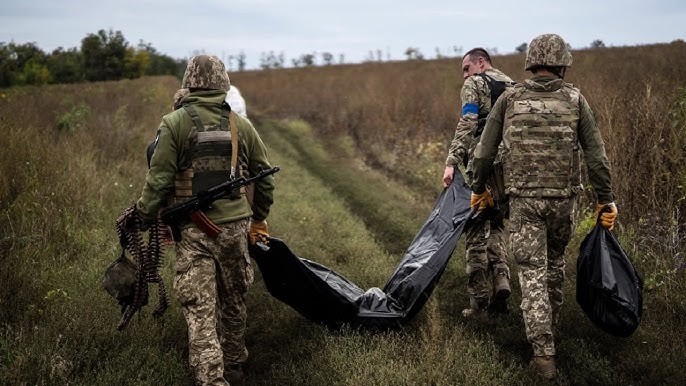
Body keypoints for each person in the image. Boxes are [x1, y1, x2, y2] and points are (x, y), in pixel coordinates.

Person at [469, 34, 617, 379]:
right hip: (563, 201)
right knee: (553, 266)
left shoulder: (509, 99)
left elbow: (484, 153)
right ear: (562, 63)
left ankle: (542, 354)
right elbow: (597, 156)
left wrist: (478, 188)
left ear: (531, 62)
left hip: (523, 201)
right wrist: (605, 199)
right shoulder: (576, 100)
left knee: (531, 271)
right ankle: (551, 332)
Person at [135, 54, 275, 385]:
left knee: (199, 309)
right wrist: (259, 217)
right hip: (235, 229)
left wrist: (143, 216)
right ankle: (234, 363)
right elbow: (264, 178)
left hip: (192, 233)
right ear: (222, 83)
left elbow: (158, 180)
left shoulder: (174, 123)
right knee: (234, 298)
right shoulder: (241, 125)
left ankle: (212, 379)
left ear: (189, 83)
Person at [442, 47, 514, 318]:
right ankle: (502, 281)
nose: (464, 76)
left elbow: (468, 122)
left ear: (480, 63)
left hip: (483, 168)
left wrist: (451, 161)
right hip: (510, 170)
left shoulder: (475, 84)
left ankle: (478, 304)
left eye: (466, 68)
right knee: (496, 224)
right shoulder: (513, 85)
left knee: (474, 230)